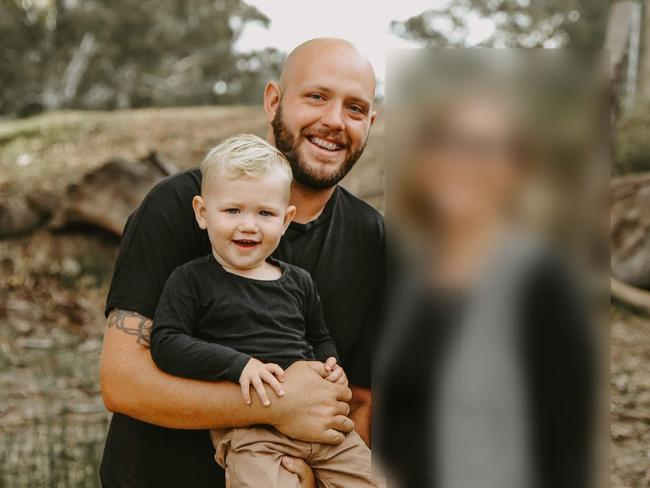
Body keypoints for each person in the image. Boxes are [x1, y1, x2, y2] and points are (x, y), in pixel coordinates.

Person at [99, 38, 383, 488]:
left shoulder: (372, 237)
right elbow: (122, 382)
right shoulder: (178, 205)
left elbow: (363, 398)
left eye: (354, 108)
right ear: (274, 100)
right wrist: (278, 405)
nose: (333, 120)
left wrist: (312, 475)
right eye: (316, 96)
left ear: (370, 121)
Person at [149, 134, 380, 487]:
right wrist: (238, 364)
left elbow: (319, 336)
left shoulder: (298, 282)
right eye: (232, 210)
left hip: (323, 428)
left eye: (265, 213)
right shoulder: (192, 280)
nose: (248, 224)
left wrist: (331, 364)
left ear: (285, 221)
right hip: (253, 433)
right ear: (202, 212)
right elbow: (166, 342)